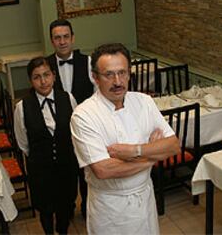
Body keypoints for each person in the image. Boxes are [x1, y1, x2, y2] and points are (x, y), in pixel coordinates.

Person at [70, 43, 180, 234]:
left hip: (144, 199)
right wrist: (154, 155)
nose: (117, 81)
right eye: (108, 75)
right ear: (95, 77)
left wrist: (134, 151)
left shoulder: (143, 102)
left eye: (122, 73)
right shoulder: (84, 115)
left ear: (130, 73)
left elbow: (174, 146)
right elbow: (103, 170)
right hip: (110, 208)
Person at [14, 57, 79, 235]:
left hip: (66, 165)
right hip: (41, 169)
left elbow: (75, 131)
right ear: (30, 80)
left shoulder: (68, 98)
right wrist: (41, 154)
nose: (43, 81)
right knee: (45, 208)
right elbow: (23, 143)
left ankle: (63, 231)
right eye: (37, 77)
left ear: (54, 76)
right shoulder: (22, 107)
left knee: (65, 204)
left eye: (46, 75)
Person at [46, 19, 94, 217]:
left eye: (66, 36)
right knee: (64, 173)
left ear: (72, 38)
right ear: (52, 41)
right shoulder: (45, 66)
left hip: (85, 127)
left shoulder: (88, 62)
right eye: (57, 38)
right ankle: (66, 208)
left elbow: (97, 94)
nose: (62, 41)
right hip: (58, 131)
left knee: (87, 171)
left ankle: (87, 209)